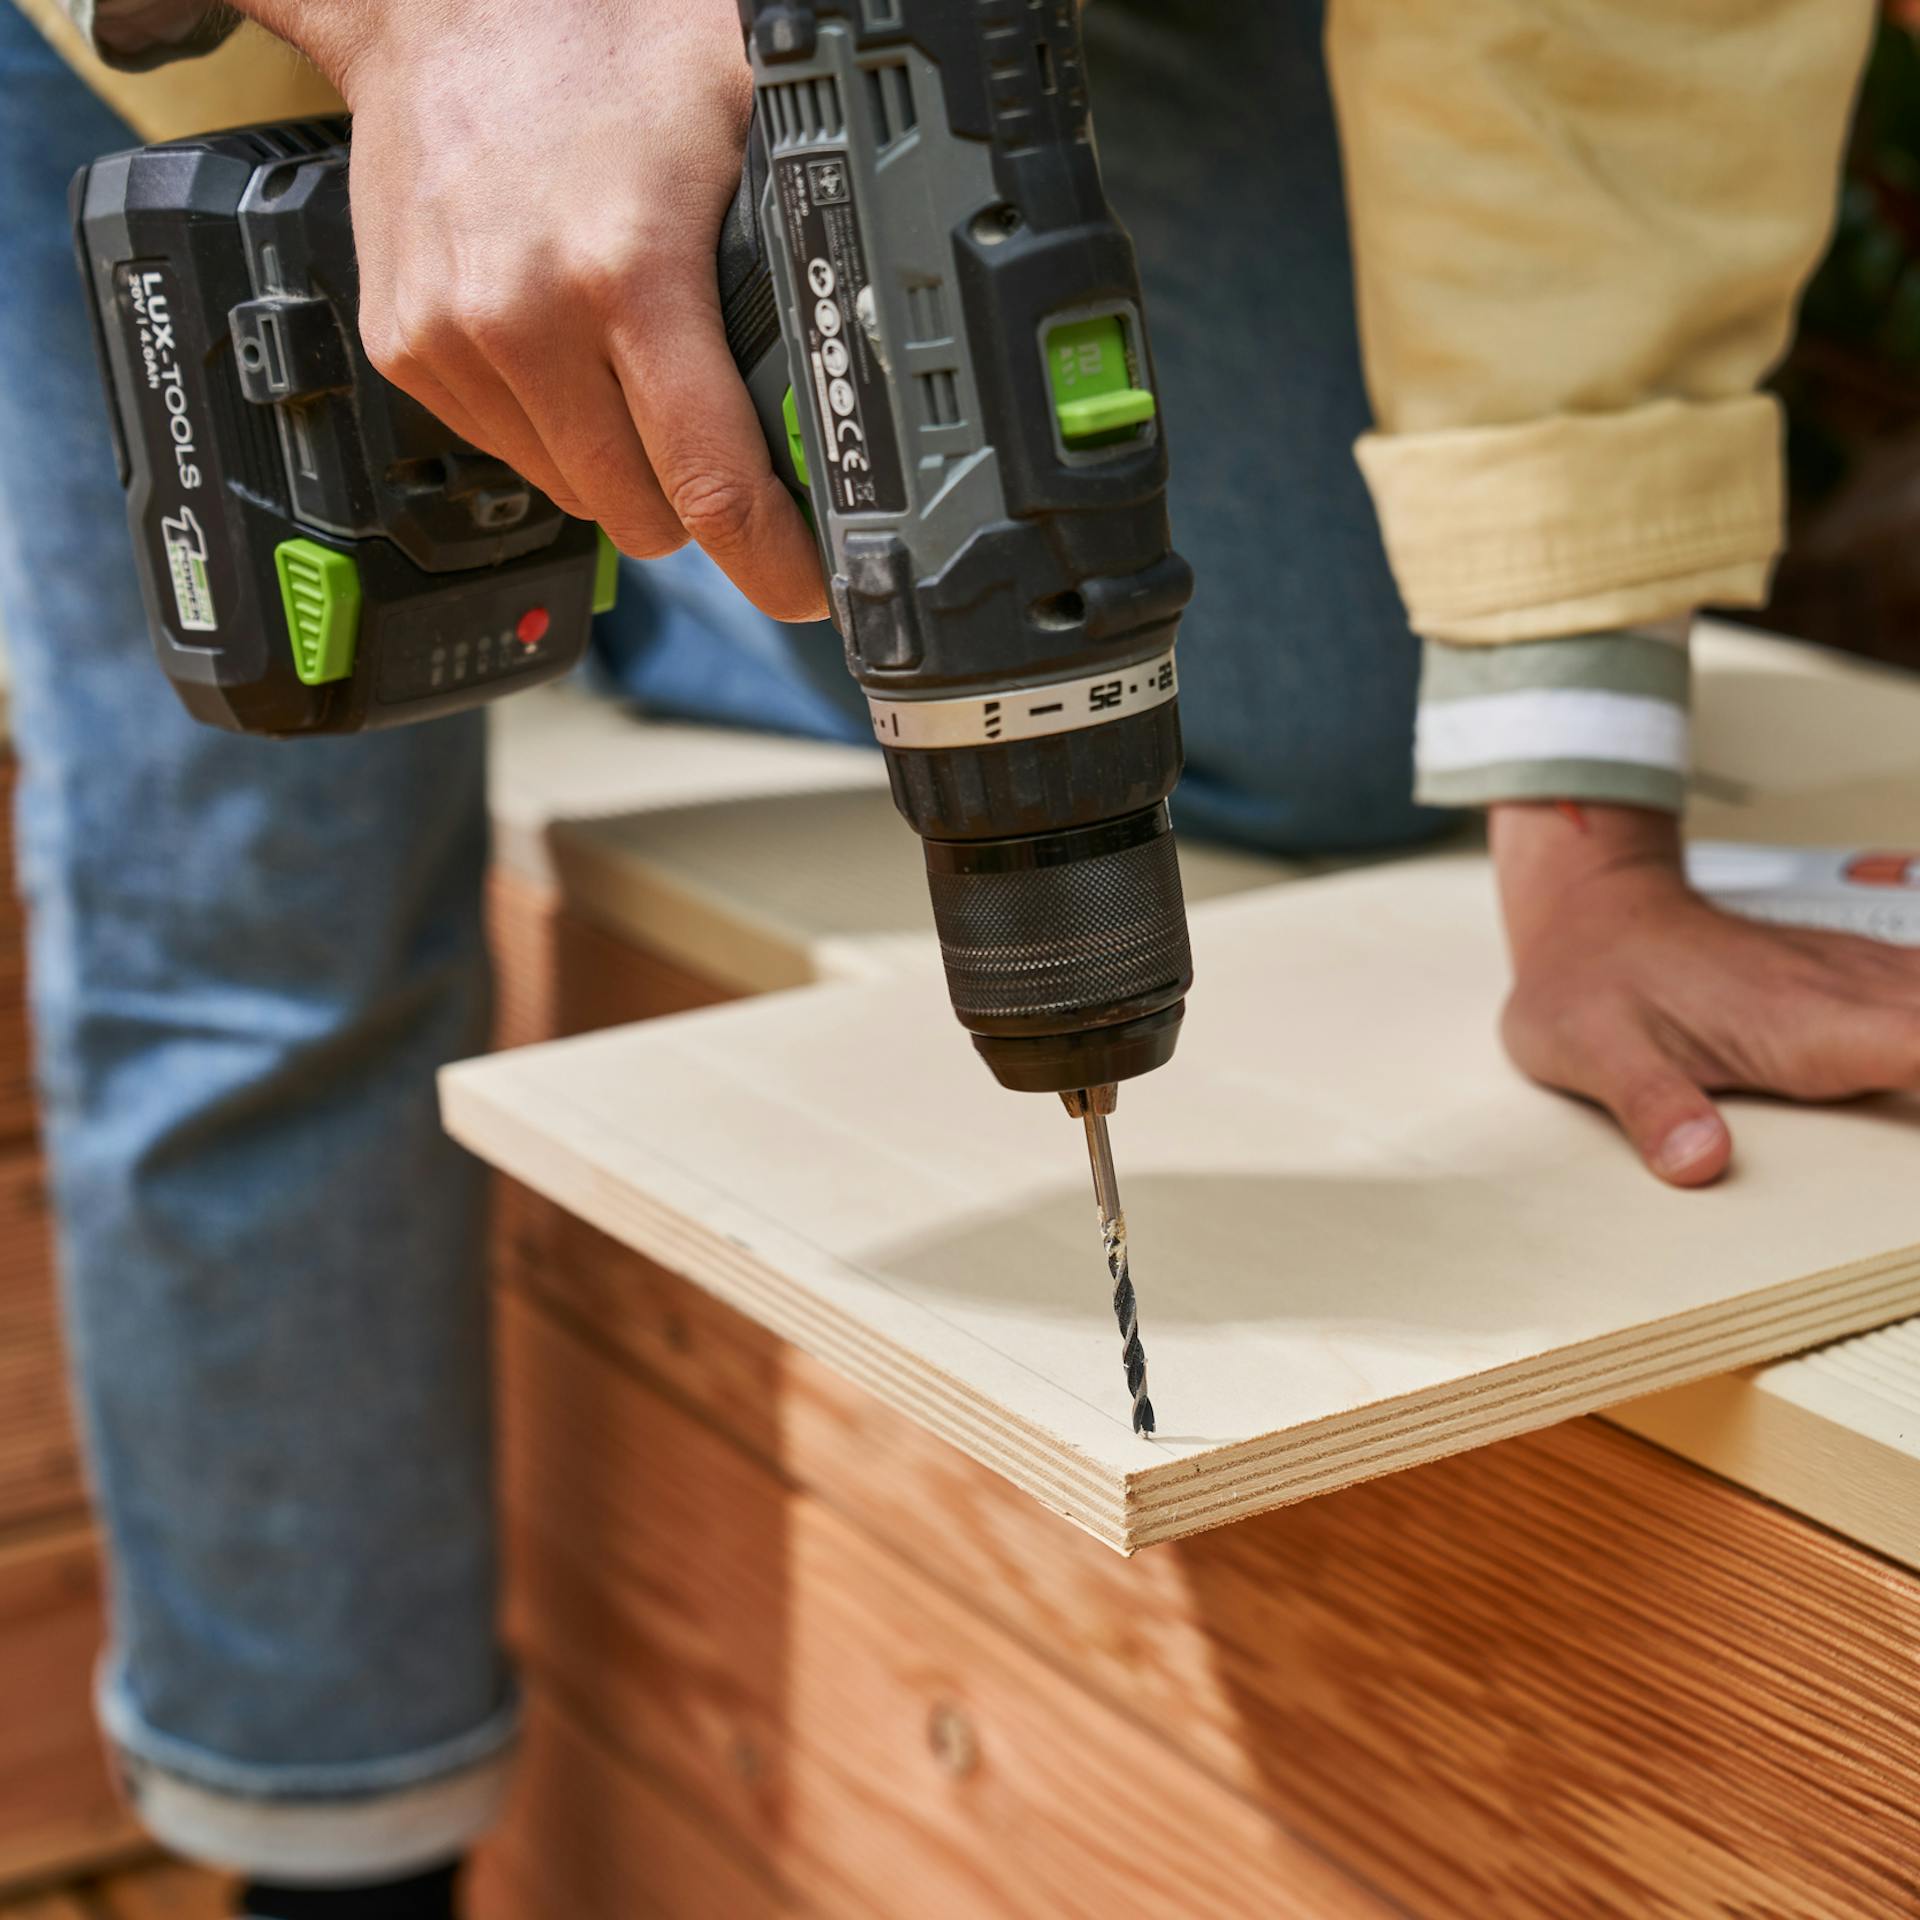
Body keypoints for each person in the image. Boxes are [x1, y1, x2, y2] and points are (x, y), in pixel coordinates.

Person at [3, 0, 1915, 1914]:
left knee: (1352, 706)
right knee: (254, 879)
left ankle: (699, 498)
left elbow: (1607, 39)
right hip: (222, 58)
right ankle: (338, 1849)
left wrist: (1586, 832)